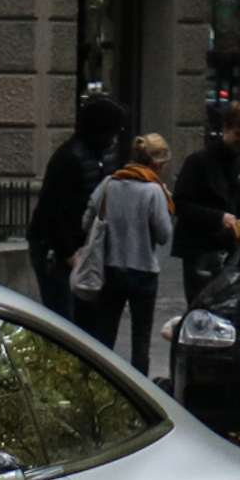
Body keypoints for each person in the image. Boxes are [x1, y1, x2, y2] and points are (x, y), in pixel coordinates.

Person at [76, 132, 175, 377]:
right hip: (144, 272)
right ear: (157, 163)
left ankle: (103, 382)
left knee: (106, 333)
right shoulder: (154, 191)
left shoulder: (109, 183)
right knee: (141, 339)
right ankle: (139, 386)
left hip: (110, 268)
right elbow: (164, 235)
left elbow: (86, 221)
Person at [28, 95, 125, 317]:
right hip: (56, 245)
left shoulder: (105, 154)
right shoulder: (68, 158)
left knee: (86, 313)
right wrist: (68, 253)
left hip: (84, 243)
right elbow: (50, 211)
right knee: (62, 312)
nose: (114, 139)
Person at [172, 100, 240, 305]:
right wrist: (218, 218)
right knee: (201, 303)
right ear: (226, 128)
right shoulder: (198, 161)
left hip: (229, 248)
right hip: (200, 248)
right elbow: (181, 204)